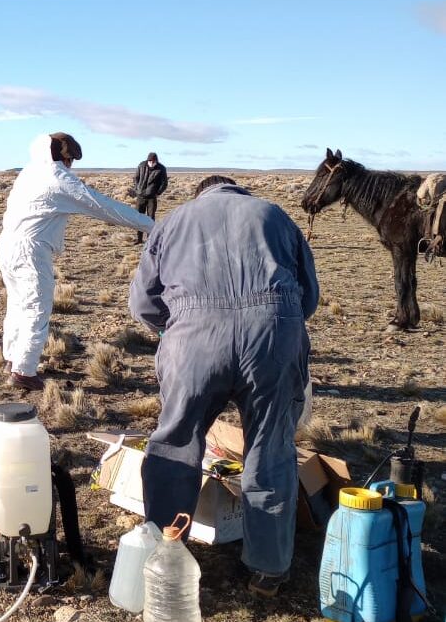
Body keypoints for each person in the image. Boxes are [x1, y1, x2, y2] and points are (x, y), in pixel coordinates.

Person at [129, 175, 320, 597]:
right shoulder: (275, 215)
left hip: (194, 342)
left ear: (202, 193)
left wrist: (177, 330)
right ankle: (268, 569)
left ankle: (164, 549)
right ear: (240, 191)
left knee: (176, 442)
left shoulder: (175, 220)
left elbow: (142, 302)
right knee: (270, 448)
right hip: (272, 338)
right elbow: (309, 298)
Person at [0, 132, 153, 391]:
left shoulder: (29, 172)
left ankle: (13, 357)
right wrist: (152, 225)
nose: (71, 165)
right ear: (65, 158)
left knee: (17, 305)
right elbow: (104, 207)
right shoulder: (58, 179)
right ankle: (23, 371)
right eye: (70, 160)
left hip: (8, 245)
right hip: (31, 249)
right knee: (36, 307)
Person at [132, 152, 168, 244]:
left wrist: (158, 193)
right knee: (138, 217)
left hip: (152, 197)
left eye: (153, 161)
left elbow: (164, 183)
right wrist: (137, 189)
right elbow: (136, 178)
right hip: (140, 196)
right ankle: (139, 239)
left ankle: (149, 240)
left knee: (150, 218)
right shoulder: (141, 165)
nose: (151, 162)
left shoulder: (161, 168)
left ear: (156, 160)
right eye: (150, 161)